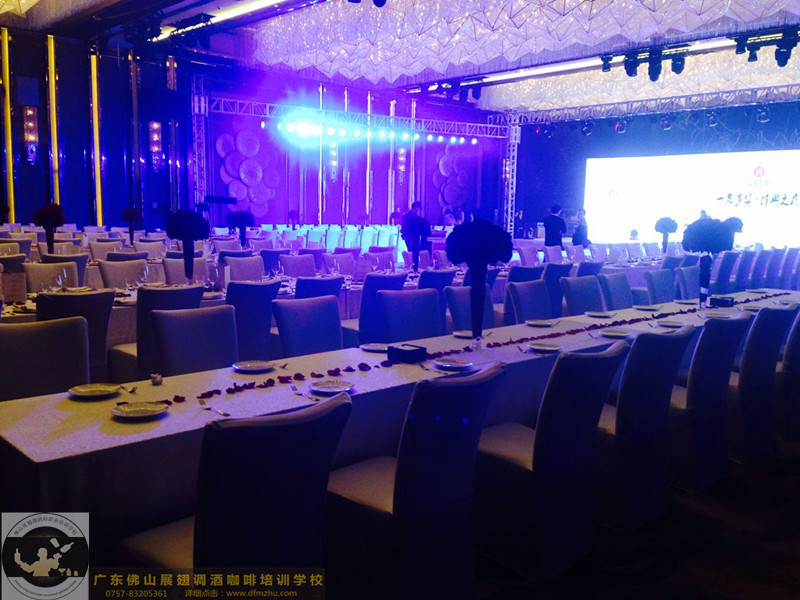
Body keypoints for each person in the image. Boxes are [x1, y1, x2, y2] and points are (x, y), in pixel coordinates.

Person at [401, 202, 431, 272]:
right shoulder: (408, 216)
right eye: (418, 209)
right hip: (410, 235)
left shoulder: (413, 216)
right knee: (411, 250)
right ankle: (411, 265)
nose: (418, 210)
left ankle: (412, 265)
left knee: (413, 250)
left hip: (413, 235)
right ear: (416, 207)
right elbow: (406, 226)